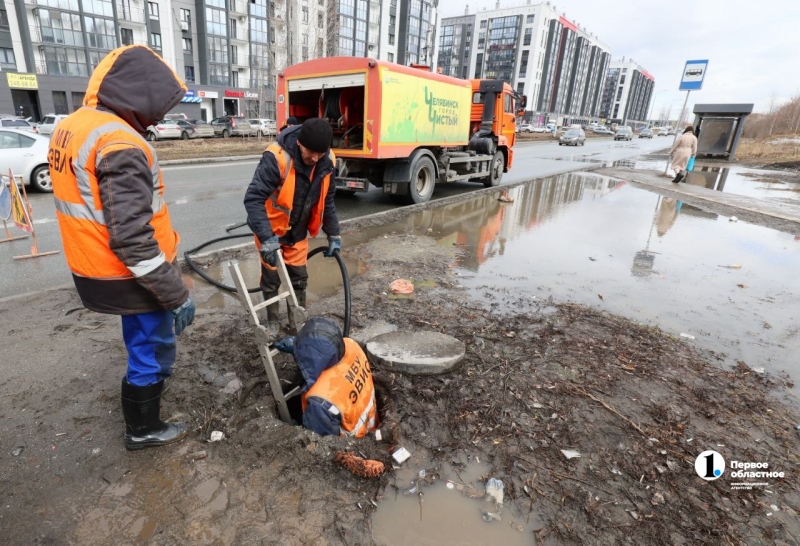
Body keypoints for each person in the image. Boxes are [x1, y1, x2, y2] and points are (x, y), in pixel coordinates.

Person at [49, 45, 195, 451]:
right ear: (137, 96)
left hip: (96, 265)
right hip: (131, 274)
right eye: (157, 108)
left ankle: (145, 405)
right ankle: (143, 429)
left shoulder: (77, 125)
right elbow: (131, 237)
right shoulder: (119, 142)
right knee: (150, 345)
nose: (159, 118)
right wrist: (175, 294)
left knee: (142, 341)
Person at [244, 118, 341, 337]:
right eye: (310, 152)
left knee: (299, 279)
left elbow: (329, 199)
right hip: (271, 231)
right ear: (299, 142)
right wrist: (267, 238)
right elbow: (253, 199)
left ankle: (297, 322)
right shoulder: (277, 157)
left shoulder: (328, 160)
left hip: (298, 232)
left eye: (320, 153)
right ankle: (272, 321)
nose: (314, 158)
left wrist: (333, 232)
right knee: (271, 280)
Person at [281, 318, 378, 437]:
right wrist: (298, 347)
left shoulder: (320, 401)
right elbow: (327, 347)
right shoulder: (352, 346)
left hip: (355, 441)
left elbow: (322, 442)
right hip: (372, 420)